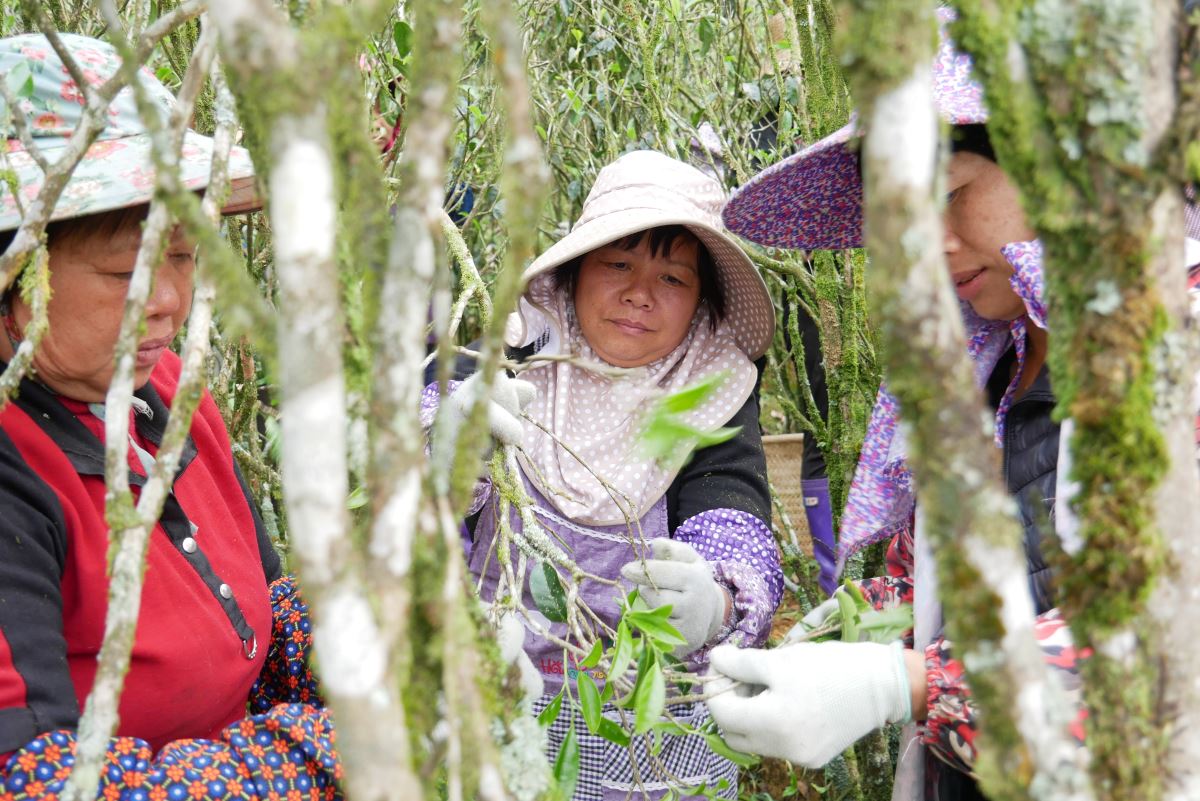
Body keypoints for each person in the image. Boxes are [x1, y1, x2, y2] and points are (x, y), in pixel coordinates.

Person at [703, 11, 1200, 801]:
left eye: (952, 193)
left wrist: (905, 684)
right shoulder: (988, 365)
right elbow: (927, 576)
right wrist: (836, 632)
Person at [0, 34, 337, 800]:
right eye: (128, 272)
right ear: (17, 277)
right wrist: (304, 753)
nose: (170, 302)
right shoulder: (13, 461)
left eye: (182, 258)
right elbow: (31, 776)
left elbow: (268, 600)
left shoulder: (168, 392)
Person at [423, 150, 784, 801]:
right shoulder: (505, 351)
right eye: (618, 263)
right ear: (574, 271)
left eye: (673, 278)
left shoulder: (709, 389)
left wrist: (715, 601)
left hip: (641, 721)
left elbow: (732, 513)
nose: (640, 294)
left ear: (700, 302)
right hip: (496, 688)